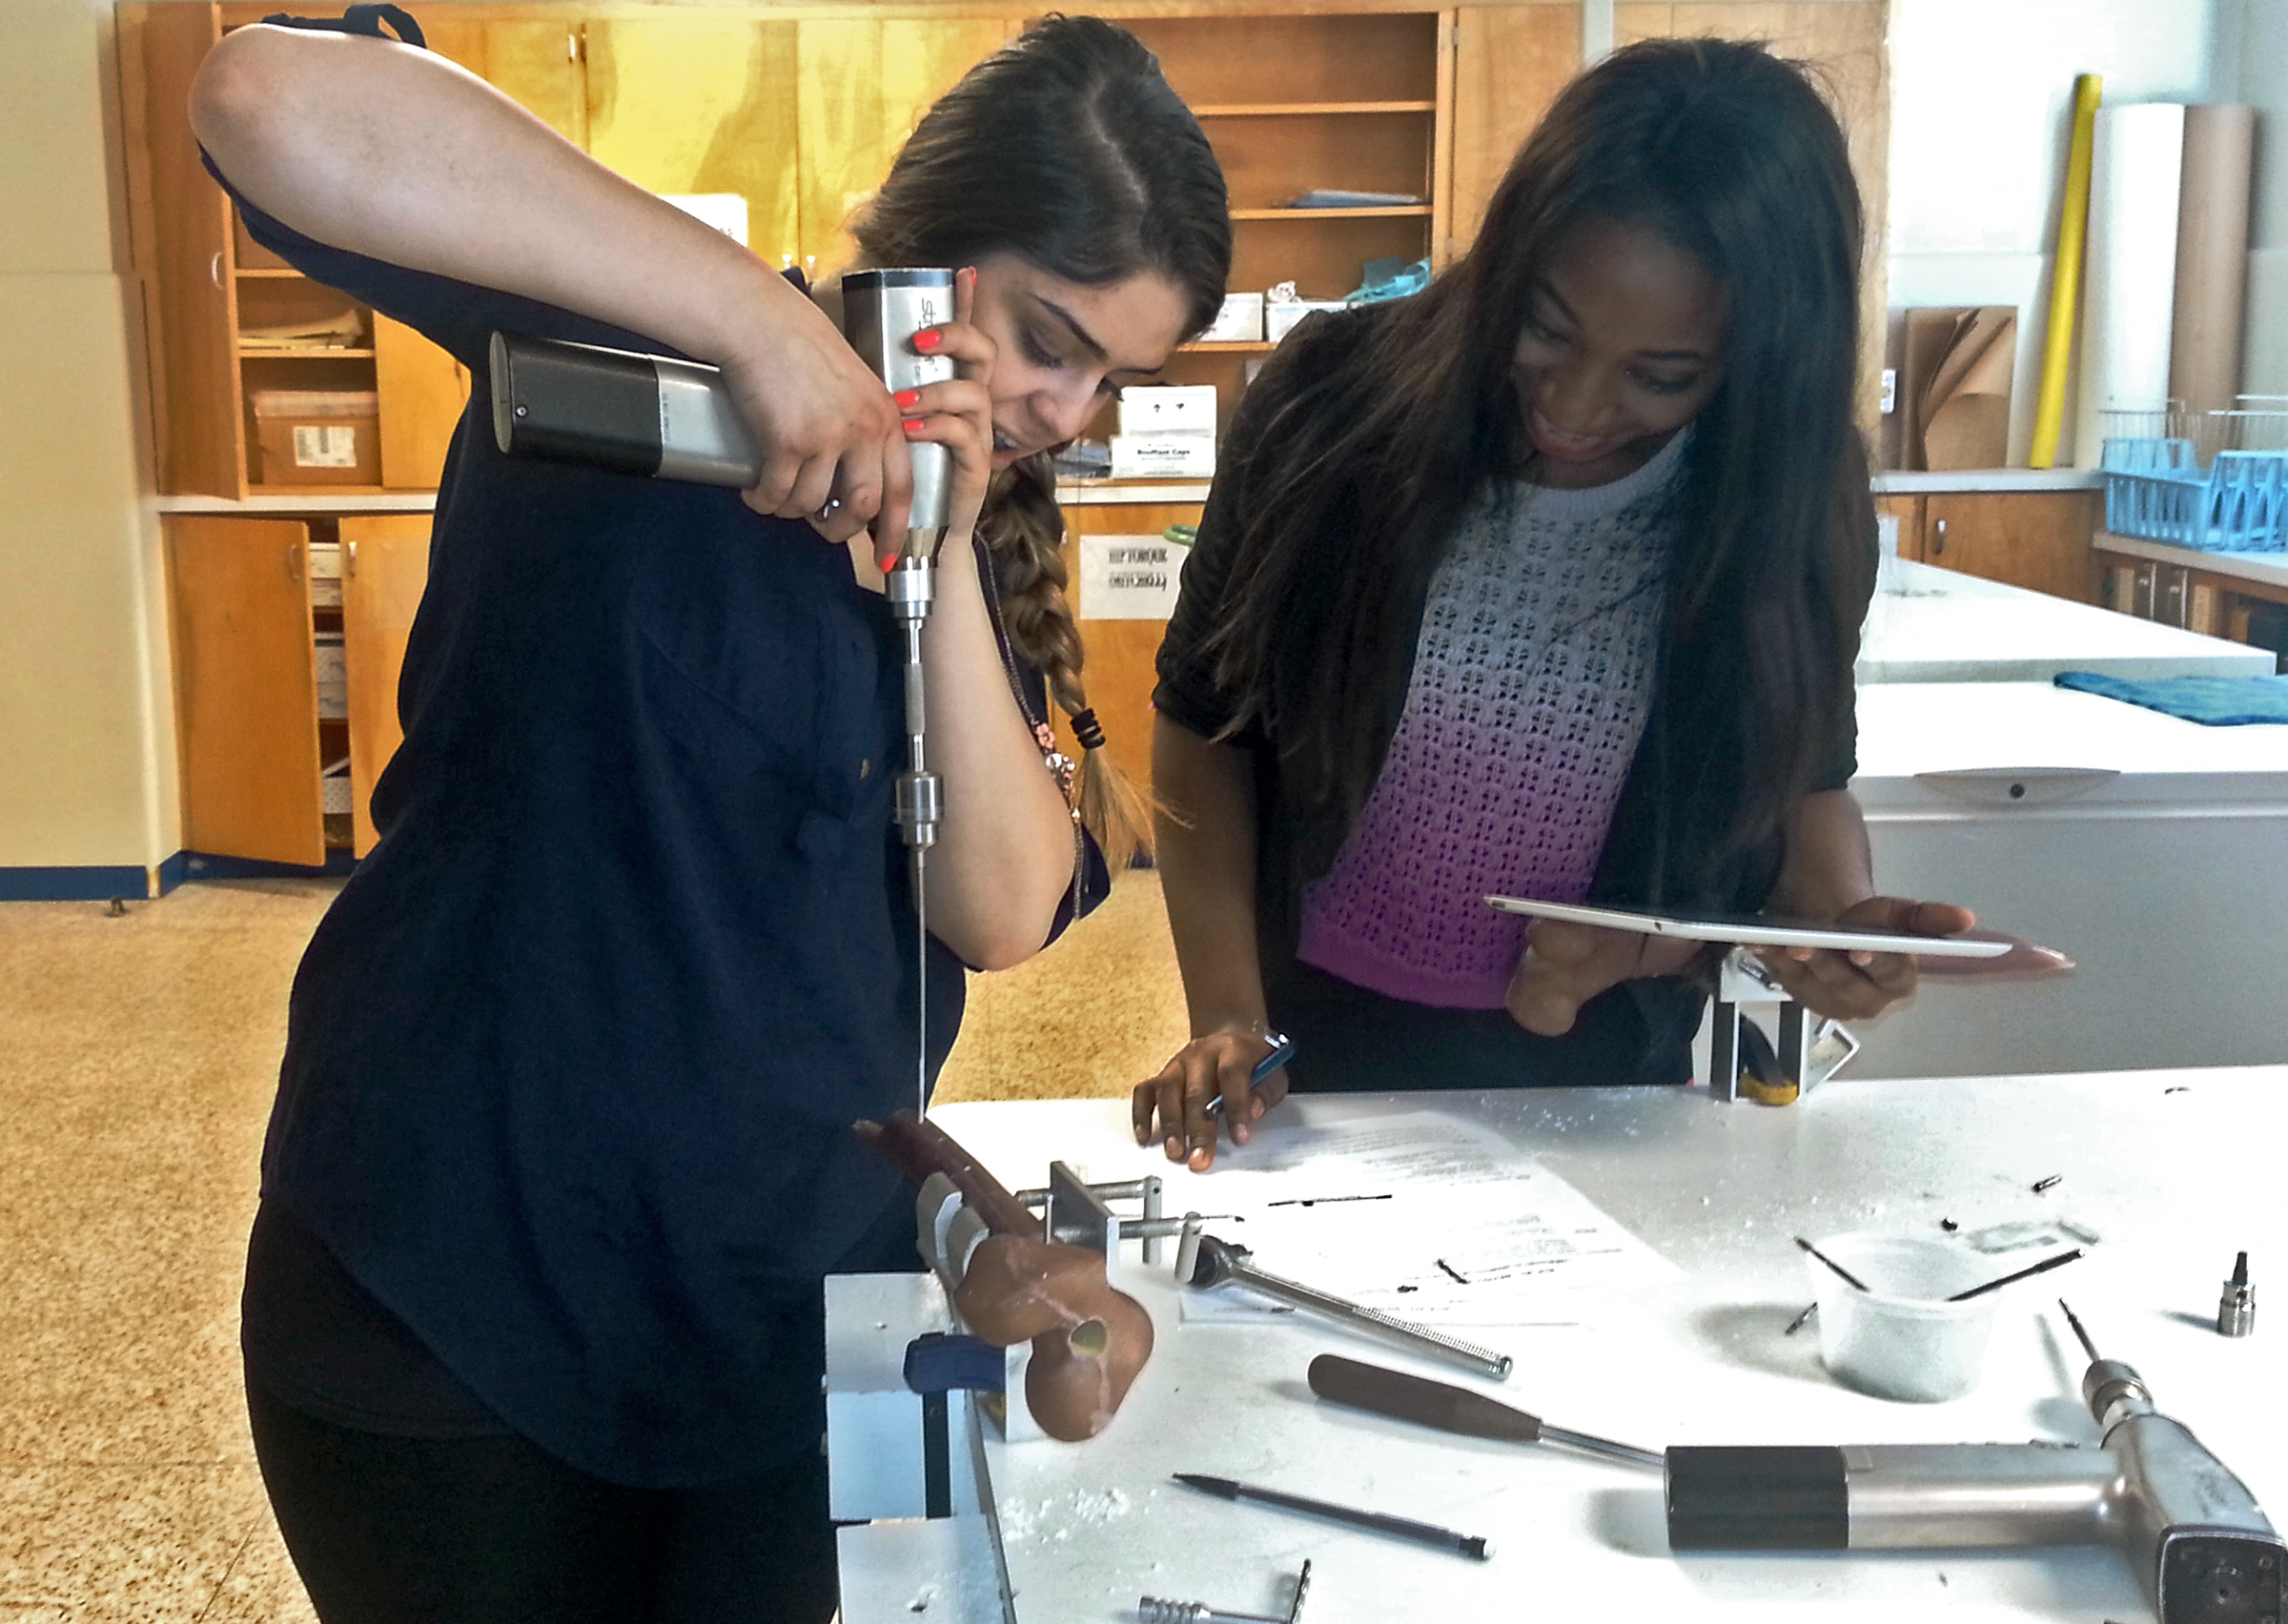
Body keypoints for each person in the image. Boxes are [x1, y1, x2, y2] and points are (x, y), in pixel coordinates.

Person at [190, 9, 1229, 1618]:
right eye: (1048, 334)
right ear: (916, 252)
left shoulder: (975, 543)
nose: (1067, 410)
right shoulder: (637, 353)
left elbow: (1003, 909)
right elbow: (266, 97)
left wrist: (937, 549)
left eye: (1110, 376)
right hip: (455, 1270)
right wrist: (753, 314)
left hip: (773, 1308)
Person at [1134, 36, 1973, 1169]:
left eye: (1662, 376)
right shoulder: (1333, 404)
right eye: (1548, 328)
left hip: (1603, 1072)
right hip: (1305, 1046)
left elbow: (1806, 781)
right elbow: (1200, 723)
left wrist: (1834, 927)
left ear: (1755, 365)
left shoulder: (1790, 491)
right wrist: (1231, 1019)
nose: (1577, 407)